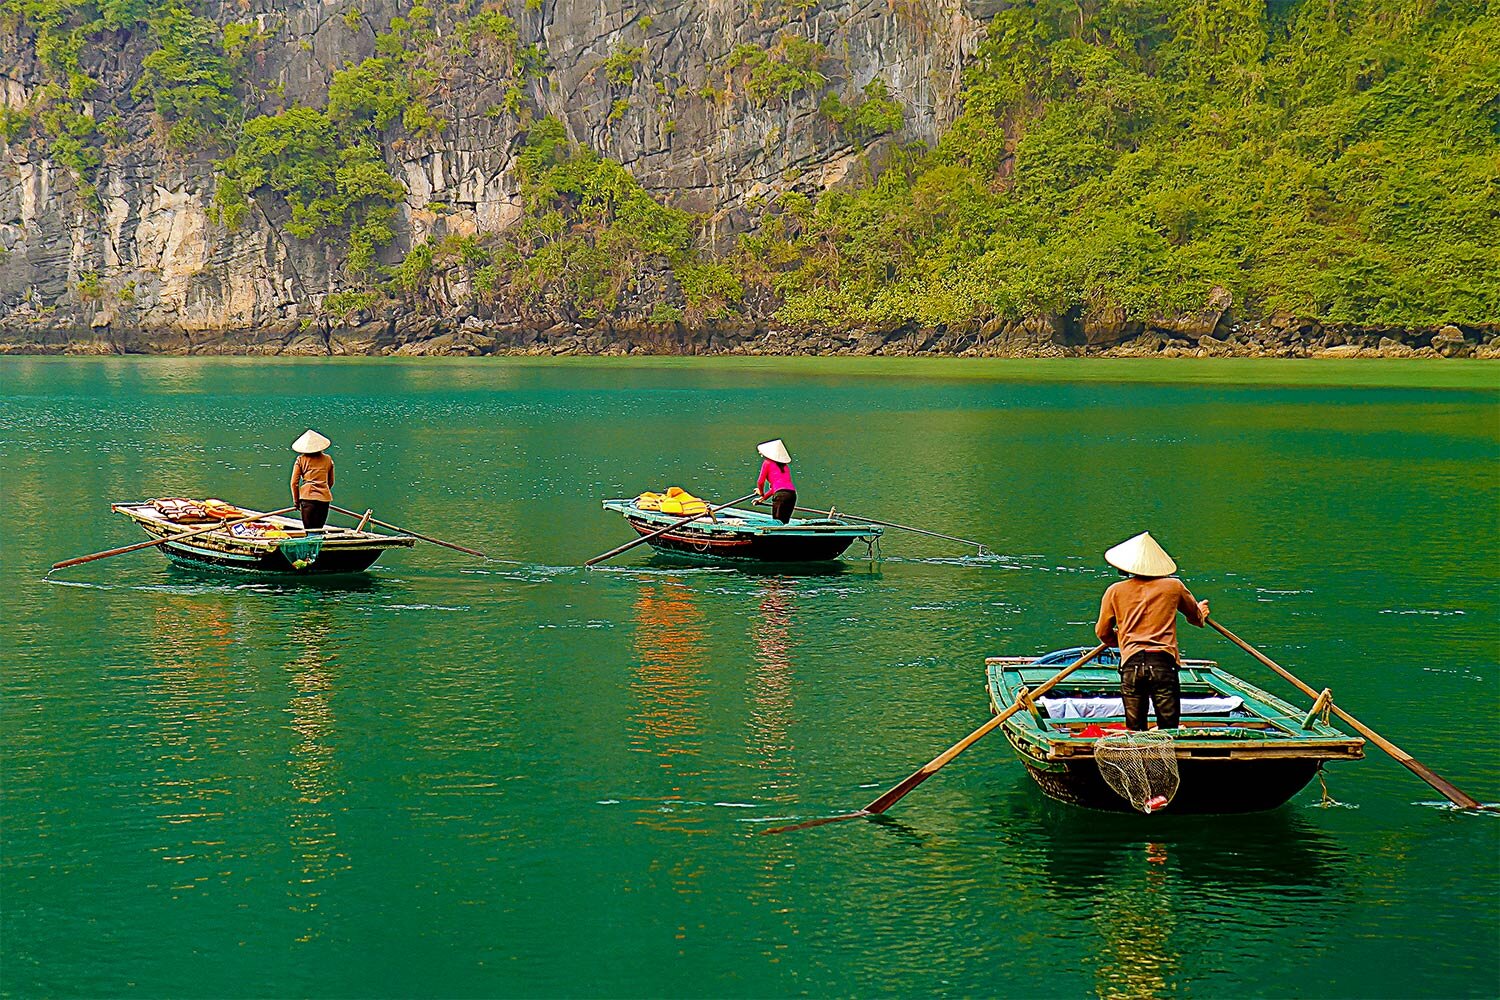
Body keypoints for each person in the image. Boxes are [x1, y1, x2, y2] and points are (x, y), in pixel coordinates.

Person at [1094, 531, 1209, 731]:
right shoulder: (1174, 587)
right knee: (1169, 729)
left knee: (1135, 729)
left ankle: (1137, 760)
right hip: (1163, 665)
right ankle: (1170, 759)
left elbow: (1103, 633)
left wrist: (1121, 638)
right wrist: (1201, 612)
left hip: (1131, 664)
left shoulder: (1114, 591)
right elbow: (1195, 619)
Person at [289, 429, 334, 530]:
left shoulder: (301, 460)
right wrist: (322, 491)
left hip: (307, 498)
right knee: (318, 529)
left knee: (309, 531)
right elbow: (330, 482)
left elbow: (294, 483)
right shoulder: (328, 459)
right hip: (324, 499)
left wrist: (296, 501)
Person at [756, 439, 796, 524]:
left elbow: (760, 482)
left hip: (780, 496)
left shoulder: (767, 463)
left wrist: (761, 492)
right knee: (784, 522)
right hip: (792, 495)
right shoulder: (785, 466)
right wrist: (763, 498)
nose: (760, 453)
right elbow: (778, 488)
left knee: (777, 523)